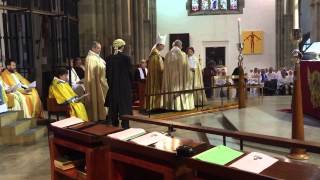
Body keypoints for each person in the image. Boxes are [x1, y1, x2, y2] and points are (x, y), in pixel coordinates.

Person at [105, 39, 132, 128]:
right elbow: (130, 74)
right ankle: (125, 126)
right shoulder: (126, 58)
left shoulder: (108, 58)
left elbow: (107, 74)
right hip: (124, 88)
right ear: (123, 47)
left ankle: (114, 126)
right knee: (125, 108)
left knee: (113, 108)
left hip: (113, 88)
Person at [162, 40, 195, 111]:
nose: (182, 47)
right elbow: (186, 69)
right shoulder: (182, 54)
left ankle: (170, 105)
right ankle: (181, 105)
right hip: (180, 79)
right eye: (181, 45)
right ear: (180, 46)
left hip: (171, 79)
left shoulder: (167, 55)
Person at [84, 41, 108, 121]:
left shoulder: (96, 57)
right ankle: (97, 116)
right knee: (96, 97)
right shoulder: (90, 59)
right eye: (98, 48)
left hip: (100, 82)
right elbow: (92, 74)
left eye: (100, 48)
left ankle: (102, 115)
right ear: (93, 48)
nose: (99, 50)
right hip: (96, 83)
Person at [145, 34, 165, 111]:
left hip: (153, 76)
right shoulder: (156, 55)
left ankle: (152, 105)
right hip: (157, 77)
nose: (163, 47)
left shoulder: (153, 54)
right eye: (163, 46)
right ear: (159, 45)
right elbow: (161, 68)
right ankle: (156, 105)